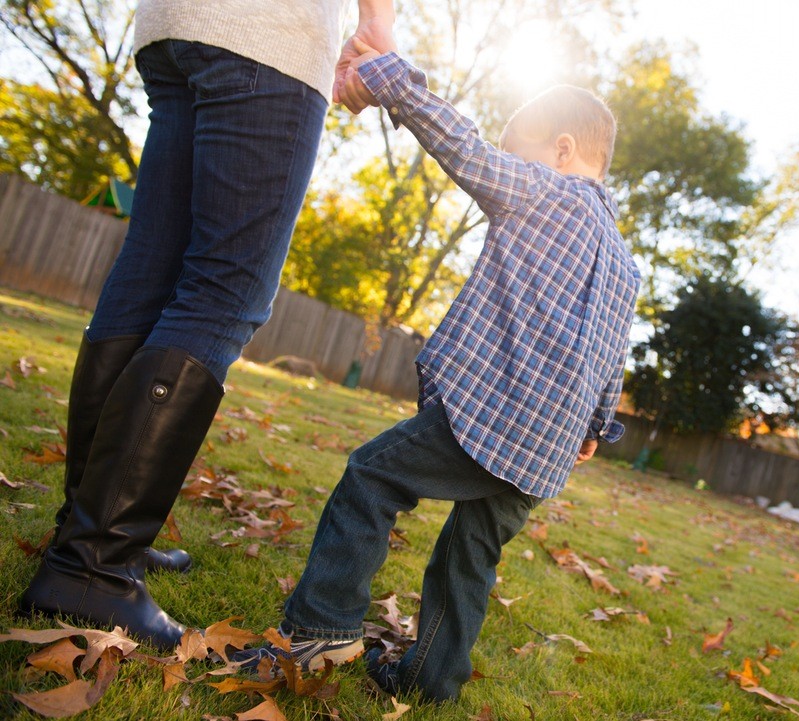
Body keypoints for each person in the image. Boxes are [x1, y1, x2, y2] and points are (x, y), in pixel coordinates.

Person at [235, 37, 640, 703]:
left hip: (496, 414)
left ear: (563, 151)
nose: (509, 169)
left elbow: (465, 149)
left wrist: (390, 79)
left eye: (520, 155)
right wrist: (597, 424)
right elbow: (613, 353)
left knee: (372, 476)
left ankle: (320, 632)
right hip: (549, 448)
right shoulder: (625, 263)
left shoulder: (547, 192)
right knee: (471, 553)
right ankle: (431, 682)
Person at [17, 0, 398, 650]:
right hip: (264, 36)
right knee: (226, 291)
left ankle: (84, 528)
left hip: (175, 23)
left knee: (151, 269)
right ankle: (92, 564)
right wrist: (378, 23)